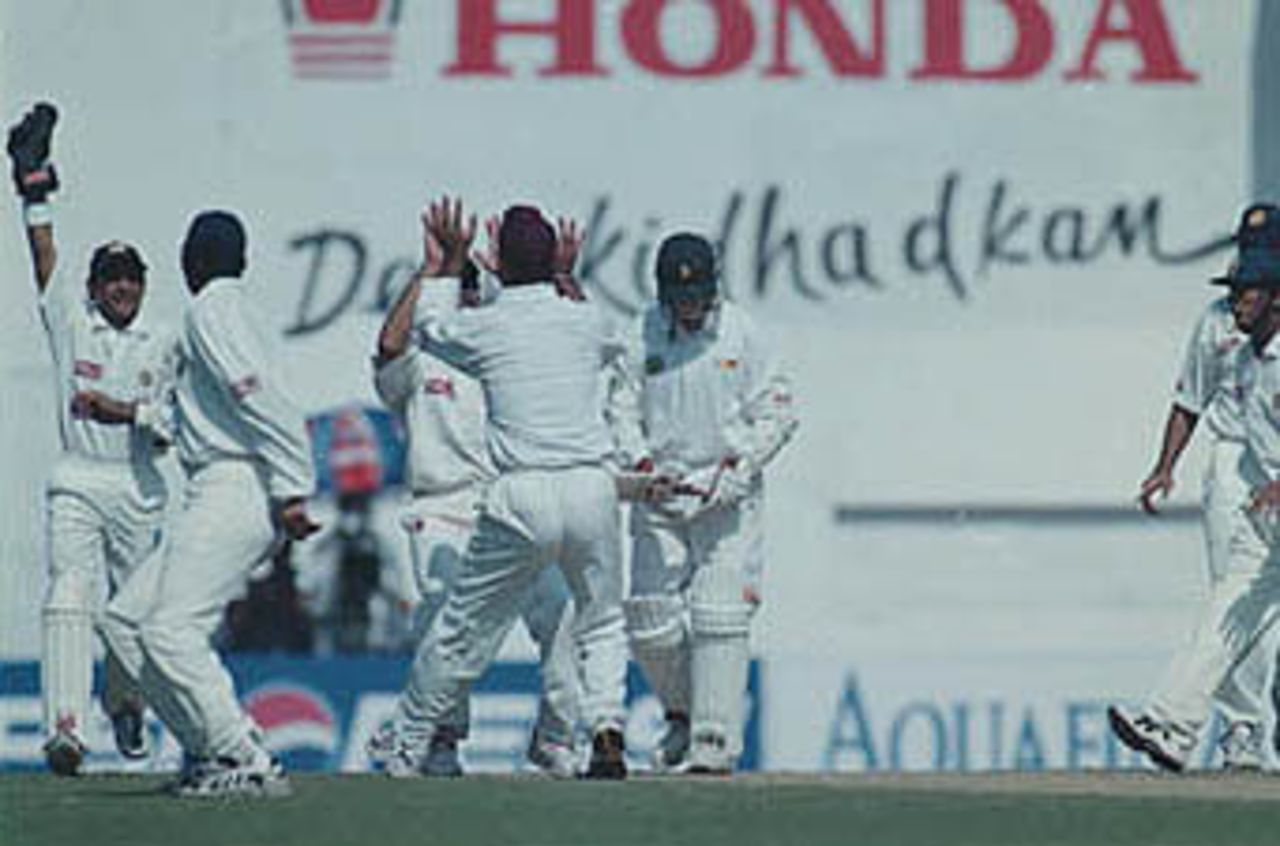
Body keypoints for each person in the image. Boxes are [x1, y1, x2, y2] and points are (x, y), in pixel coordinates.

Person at [371, 197, 629, 779]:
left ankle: (408, 740)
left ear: (499, 267)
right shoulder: (583, 317)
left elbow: (431, 328)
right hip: (589, 489)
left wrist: (445, 265)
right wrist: (563, 277)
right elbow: (616, 345)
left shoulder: (486, 327)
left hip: (521, 495)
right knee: (604, 618)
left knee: (464, 626)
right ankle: (607, 725)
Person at [98, 210, 320, 799]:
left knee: (170, 631)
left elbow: (260, 398)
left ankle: (242, 753)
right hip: (220, 487)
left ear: (189, 262)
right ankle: (204, 750)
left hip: (236, 488)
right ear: (241, 261)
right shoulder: (240, 311)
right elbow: (206, 410)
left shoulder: (210, 309)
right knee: (122, 621)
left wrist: (292, 488)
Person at [8, 102, 179, 776]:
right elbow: (43, 257)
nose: (121, 288)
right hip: (79, 478)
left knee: (133, 621)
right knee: (69, 595)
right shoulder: (70, 323)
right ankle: (66, 730)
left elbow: (170, 429)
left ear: (143, 283)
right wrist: (33, 188)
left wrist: (122, 412)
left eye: (131, 278)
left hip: (139, 489)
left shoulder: (163, 339)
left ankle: (126, 703)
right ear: (94, 287)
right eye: (110, 279)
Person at [608, 232, 798, 774]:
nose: (690, 305)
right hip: (660, 492)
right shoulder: (639, 333)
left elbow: (778, 414)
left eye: (698, 294)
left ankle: (714, 744)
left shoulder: (744, 334)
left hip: (725, 495)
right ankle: (684, 716)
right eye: (680, 295)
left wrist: (741, 469)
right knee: (650, 621)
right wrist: (640, 462)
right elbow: (621, 408)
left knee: (720, 613)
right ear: (663, 292)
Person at [1110, 208, 1280, 772]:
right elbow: (1192, 400)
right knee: (1230, 605)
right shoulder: (1244, 343)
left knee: (1243, 607)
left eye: (1249, 289)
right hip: (1258, 490)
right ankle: (1174, 725)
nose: (1236, 301)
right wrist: (1166, 466)